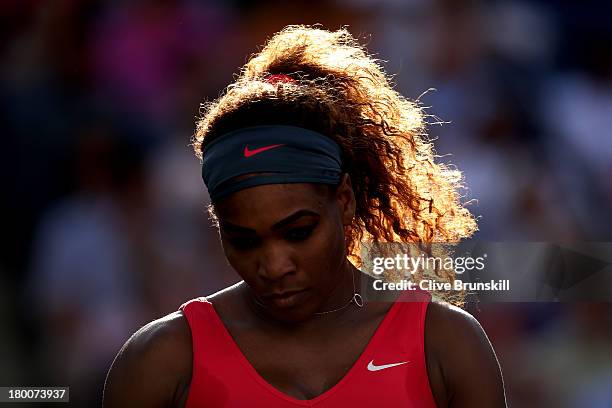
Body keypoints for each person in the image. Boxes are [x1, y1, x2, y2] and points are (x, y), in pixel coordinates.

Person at [103, 25, 507, 407]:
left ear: (345, 200)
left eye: (298, 232)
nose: (274, 266)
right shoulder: (160, 362)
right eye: (244, 240)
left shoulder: (447, 345)